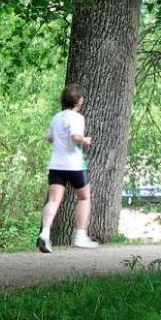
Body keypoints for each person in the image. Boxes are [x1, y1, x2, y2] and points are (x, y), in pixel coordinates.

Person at [37, 84, 99, 253]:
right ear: (79, 101)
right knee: (84, 198)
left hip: (56, 165)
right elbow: (75, 137)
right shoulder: (77, 118)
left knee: (53, 200)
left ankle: (45, 233)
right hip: (74, 165)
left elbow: (49, 138)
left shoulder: (56, 117)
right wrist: (85, 140)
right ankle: (80, 236)